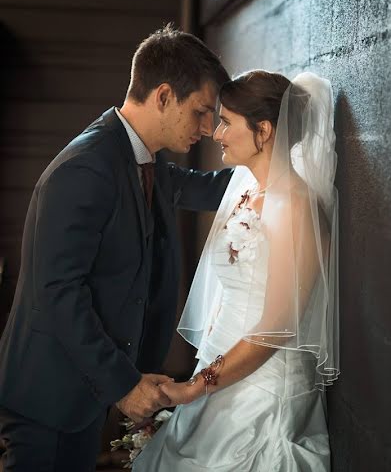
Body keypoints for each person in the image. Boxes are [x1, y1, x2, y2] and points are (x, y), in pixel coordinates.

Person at [0, 24, 233, 471]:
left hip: (79, 395)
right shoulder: (87, 168)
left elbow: (210, 190)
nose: (208, 128)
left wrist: (271, 158)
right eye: (202, 112)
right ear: (164, 96)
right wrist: (124, 384)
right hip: (47, 397)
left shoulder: (143, 161)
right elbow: (58, 293)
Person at [133, 70, 340, 471]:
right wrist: (202, 383)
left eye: (227, 121)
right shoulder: (245, 189)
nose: (216, 132)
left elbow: (275, 329)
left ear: (262, 131)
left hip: (262, 389)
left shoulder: (296, 208)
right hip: (221, 370)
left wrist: (195, 387)